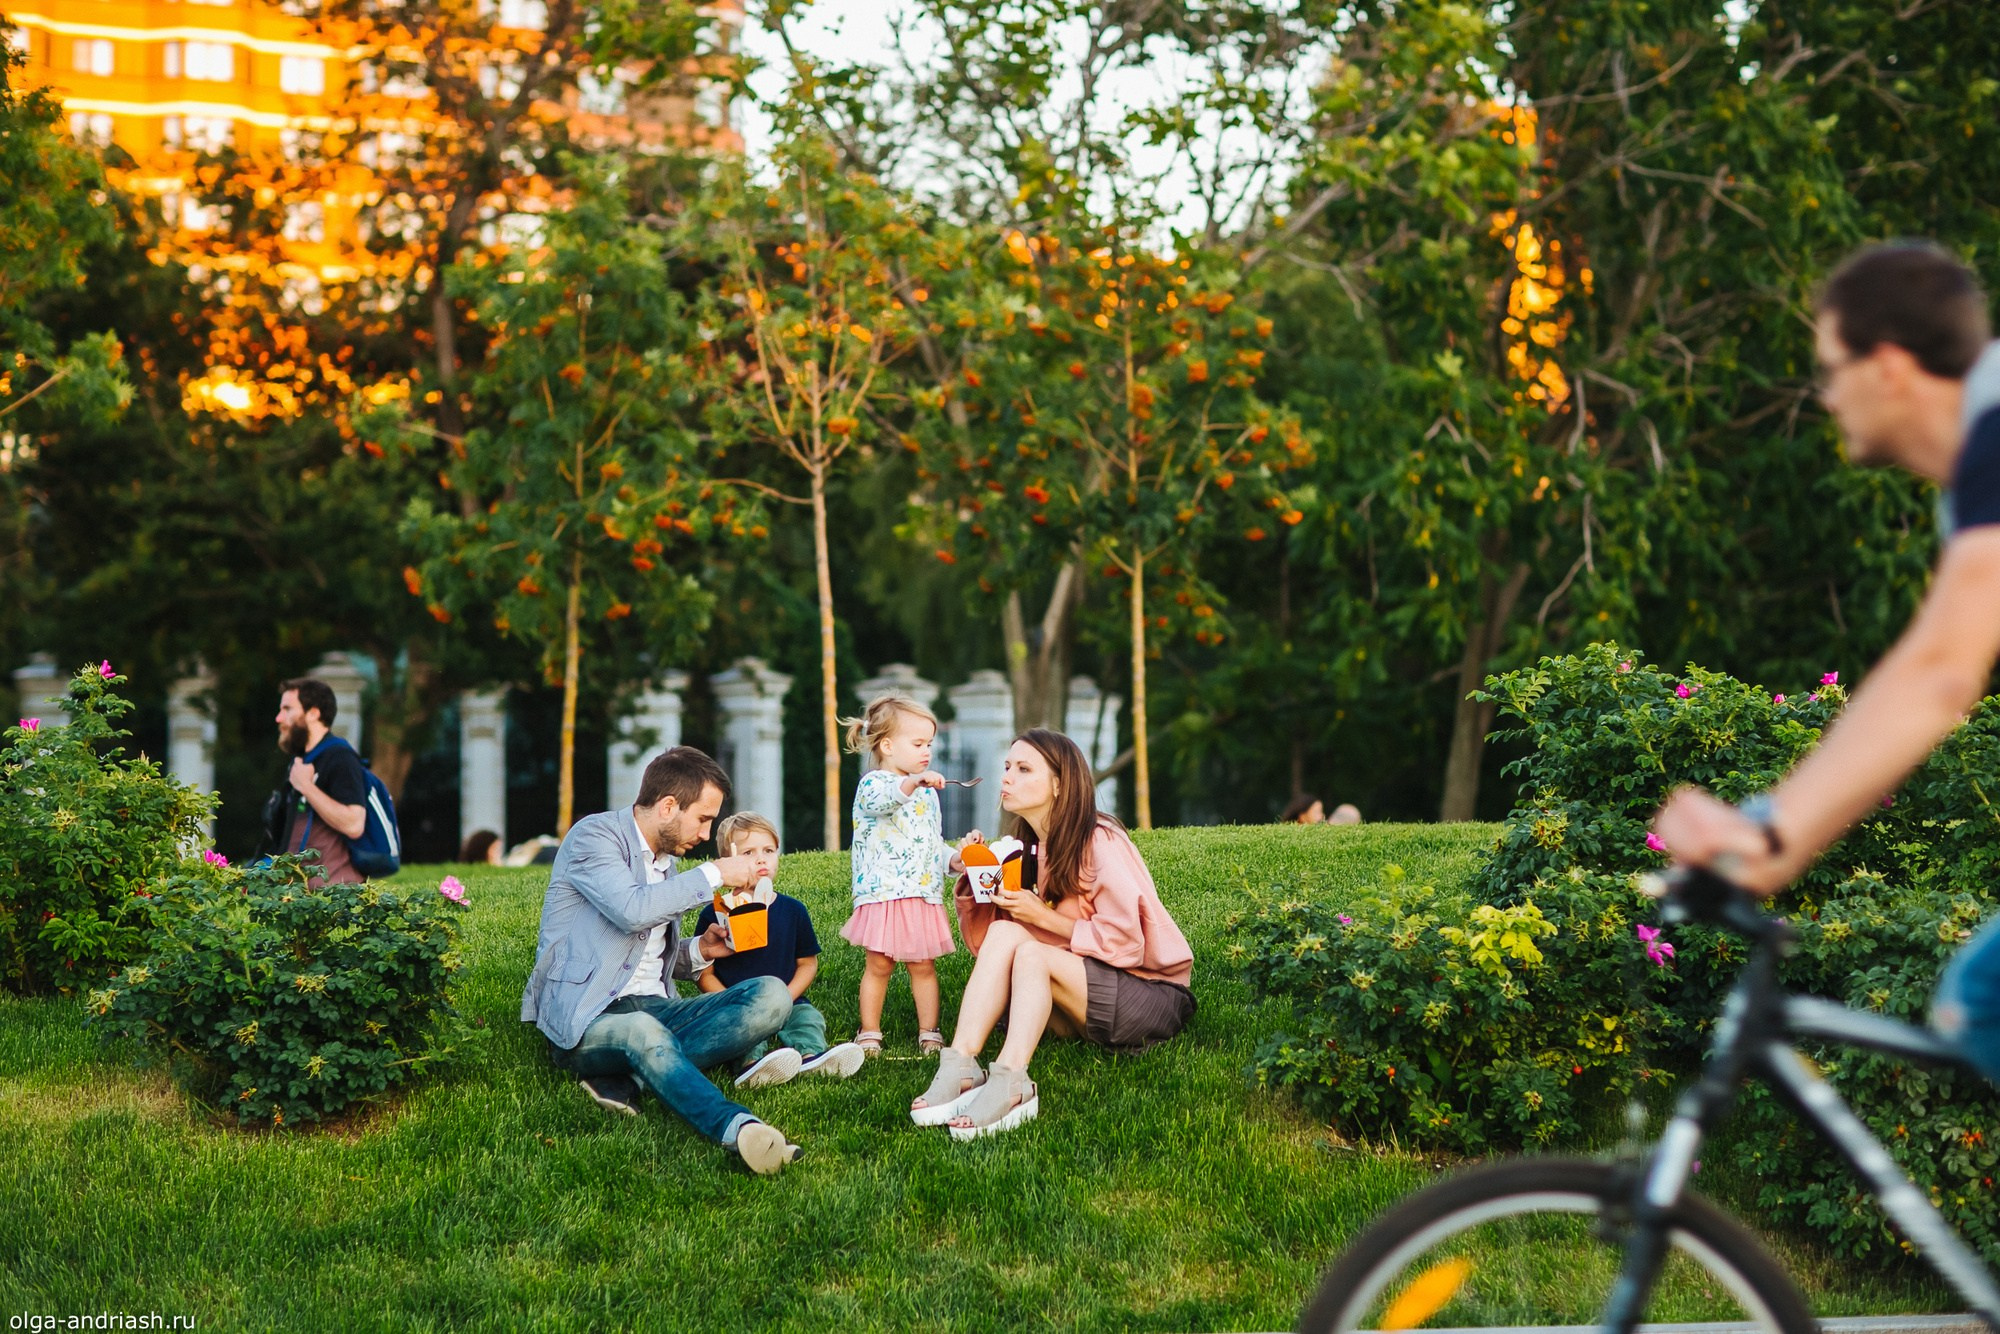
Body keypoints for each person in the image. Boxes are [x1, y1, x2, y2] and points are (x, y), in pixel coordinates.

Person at [1652, 241, 2000, 1077]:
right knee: (1982, 1004)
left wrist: (1775, 834)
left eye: (1829, 369)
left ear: (1886, 364)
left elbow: (1942, 671)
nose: (1825, 396)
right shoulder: (1975, 482)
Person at [520, 746, 804, 1176]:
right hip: (587, 1016)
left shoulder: (666, 863)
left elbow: (640, 953)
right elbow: (631, 910)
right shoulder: (593, 837)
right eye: (703, 819)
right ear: (669, 806)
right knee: (642, 1030)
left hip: (656, 1007)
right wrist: (715, 873)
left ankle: (631, 1078)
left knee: (772, 995)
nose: (707, 835)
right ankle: (737, 1127)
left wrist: (701, 951)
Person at [910, 728, 1196, 1139]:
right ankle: (961, 1064)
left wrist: (1041, 918)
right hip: (1080, 995)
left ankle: (1012, 1080)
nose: (1007, 777)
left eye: (1024, 769)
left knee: (1031, 954)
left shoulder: (1098, 839)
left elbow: (1125, 942)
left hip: (1147, 994)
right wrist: (982, 878)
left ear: (1060, 784)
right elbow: (994, 947)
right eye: (1008, 766)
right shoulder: (1028, 849)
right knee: (1012, 942)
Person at [694, 811, 865, 1081]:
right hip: (740, 1004)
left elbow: (807, 963)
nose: (761, 858)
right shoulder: (715, 914)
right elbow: (704, 973)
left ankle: (812, 1057)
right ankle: (752, 1065)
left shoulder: (793, 910)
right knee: (743, 1030)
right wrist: (730, 1001)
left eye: (769, 850)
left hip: (790, 998)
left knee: (808, 1019)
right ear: (728, 862)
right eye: (748, 852)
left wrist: (786, 997)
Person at [839, 695, 958, 1056]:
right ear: (887, 746)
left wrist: (954, 862)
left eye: (930, 744)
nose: (927, 752)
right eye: (918, 744)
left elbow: (931, 843)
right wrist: (913, 784)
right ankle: (870, 1031)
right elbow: (885, 801)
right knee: (879, 964)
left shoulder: (926, 795)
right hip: (884, 892)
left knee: (923, 965)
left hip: (920, 894)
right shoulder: (874, 784)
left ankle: (930, 1031)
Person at [265, 677, 368, 887]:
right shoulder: (302, 761)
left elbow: (354, 824)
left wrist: (306, 786)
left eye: (287, 709)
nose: (278, 718)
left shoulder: (340, 757)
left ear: (313, 713)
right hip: (302, 897)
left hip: (336, 898)